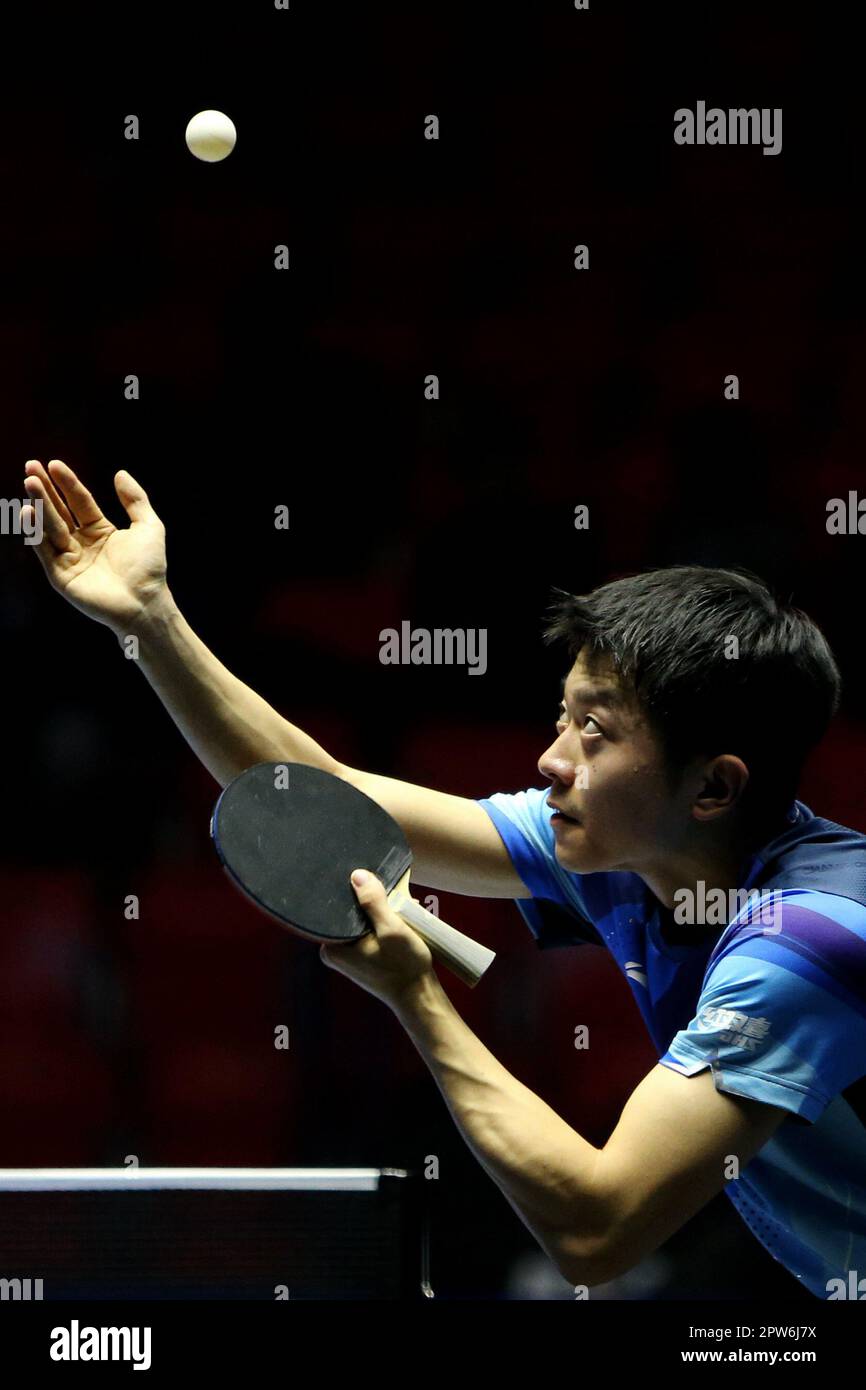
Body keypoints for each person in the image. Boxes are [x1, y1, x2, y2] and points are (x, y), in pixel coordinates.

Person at [22, 458, 866, 1298]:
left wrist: (417, 997)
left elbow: (597, 1228)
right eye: (562, 717)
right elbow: (320, 797)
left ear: (713, 786)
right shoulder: (629, 850)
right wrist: (152, 621)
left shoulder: (805, 945)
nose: (551, 759)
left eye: (596, 732)